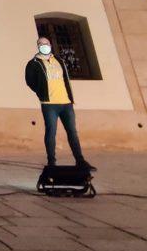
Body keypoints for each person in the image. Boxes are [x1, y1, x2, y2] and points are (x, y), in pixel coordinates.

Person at [25, 36, 95, 171]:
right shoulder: (33, 63)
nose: (44, 45)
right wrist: (41, 92)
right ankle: (51, 162)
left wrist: (69, 97)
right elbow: (30, 81)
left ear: (50, 45)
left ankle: (80, 160)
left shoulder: (59, 60)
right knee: (51, 132)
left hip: (66, 103)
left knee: (72, 132)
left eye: (46, 43)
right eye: (40, 44)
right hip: (49, 104)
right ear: (38, 46)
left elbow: (65, 79)